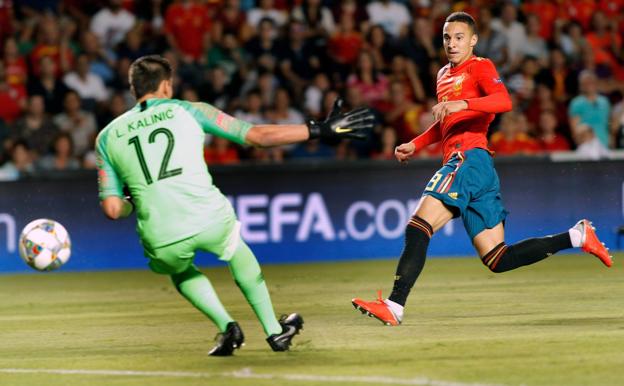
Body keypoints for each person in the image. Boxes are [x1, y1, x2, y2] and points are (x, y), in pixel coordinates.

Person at [96, 55, 373, 354]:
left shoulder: (107, 137)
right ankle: (274, 331)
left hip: (161, 233)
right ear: (166, 85)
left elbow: (113, 210)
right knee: (236, 250)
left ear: (133, 88)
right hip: (207, 216)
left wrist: (130, 203)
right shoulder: (190, 110)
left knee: (179, 270)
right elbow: (256, 136)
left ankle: (227, 327)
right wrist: (318, 129)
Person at [351, 12, 613, 327]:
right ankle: (577, 236)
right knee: (497, 258)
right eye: (447, 37)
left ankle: (394, 305)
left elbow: (503, 101)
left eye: (459, 37)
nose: (451, 43)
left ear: (473, 40)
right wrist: (416, 143)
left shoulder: (481, 67)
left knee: (418, 226)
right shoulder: (442, 75)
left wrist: (463, 104)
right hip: (478, 167)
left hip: (468, 159)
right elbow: (445, 123)